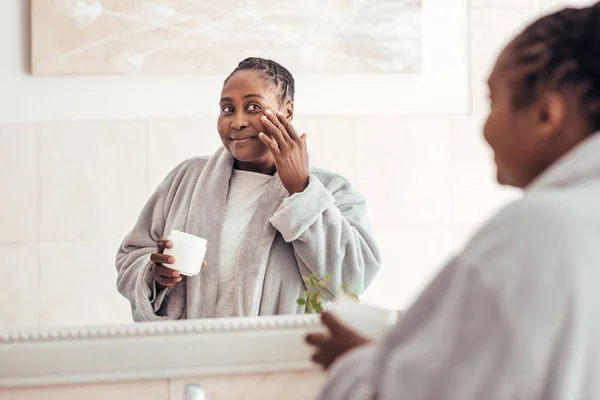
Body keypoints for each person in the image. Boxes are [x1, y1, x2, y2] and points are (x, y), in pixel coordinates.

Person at [307, 3, 600, 399]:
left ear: (546, 115)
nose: (485, 128)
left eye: (492, 100)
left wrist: (360, 367)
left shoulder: (538, 234)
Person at [116, 57, 381, 321]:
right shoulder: (186, 180)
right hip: (194, 353)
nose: (238, 122)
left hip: (278, 355)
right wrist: (156, 275)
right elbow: (131, 256)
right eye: (228, 109)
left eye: (253, 107)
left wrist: (301, 191)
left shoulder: (332, 190)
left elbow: (352, 280)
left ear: (287, 112)